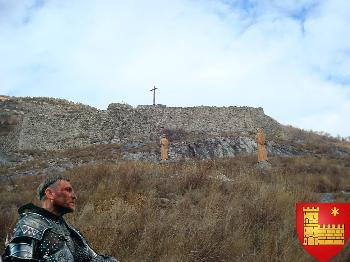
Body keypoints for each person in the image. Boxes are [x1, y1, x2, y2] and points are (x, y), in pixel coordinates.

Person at [2, 175, 118, 262]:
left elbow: (93, 259)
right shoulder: (30, 224)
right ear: (50, 194)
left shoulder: (69, 230)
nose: (74, 196)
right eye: (68, 190)